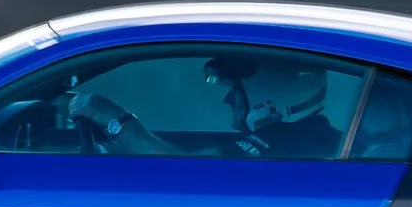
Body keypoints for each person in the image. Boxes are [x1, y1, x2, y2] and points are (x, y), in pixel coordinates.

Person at [67, 54, 342, 158]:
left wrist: (116, 120)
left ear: (271, 89)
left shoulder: (286, 141)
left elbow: (181, 173)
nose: (228, 99)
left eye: (235, 88)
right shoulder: (306, 136)